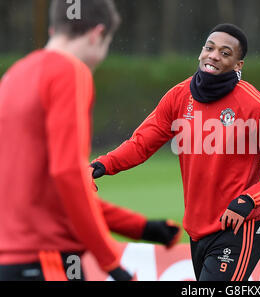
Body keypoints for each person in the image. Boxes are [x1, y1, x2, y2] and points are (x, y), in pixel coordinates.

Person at [91, 23, 260, 281]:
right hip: (196, 231)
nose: (214, 55)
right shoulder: (179, 96)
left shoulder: (255, 106)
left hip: (238, 229)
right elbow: (141, 143)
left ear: (238, 65)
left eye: (225, 53)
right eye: (209, 48)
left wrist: (248, 200)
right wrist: (101, 166)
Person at [0, 0, 180, 281]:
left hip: (10, 263)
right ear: (97, 34)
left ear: (54, 28)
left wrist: (140, 227)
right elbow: (69, 175)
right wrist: (111, 263)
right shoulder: (70, 72)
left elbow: (52, 192)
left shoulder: (13, 76)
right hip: (49, 263)